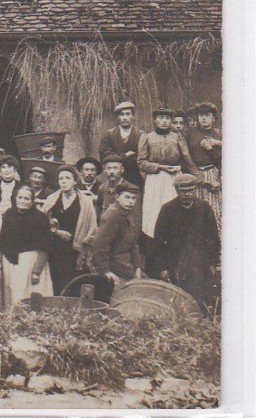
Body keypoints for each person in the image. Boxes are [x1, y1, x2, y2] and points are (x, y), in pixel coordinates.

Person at [150, 174, 221, 311]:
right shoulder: (167, 209)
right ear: (177, 191)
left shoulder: (204, 208)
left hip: (200, 262)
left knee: (200, 300)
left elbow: (213, 238)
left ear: (194, 190)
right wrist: (162, 267)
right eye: (183, 191)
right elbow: (158, 241)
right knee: (176, 300)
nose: (187, 194)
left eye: (190, 191)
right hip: (175, 262)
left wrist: (213, 263)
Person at [137, 104, 200, 239]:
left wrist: (192, 174)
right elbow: (141, 162)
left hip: (173, 178)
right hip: (155, 179)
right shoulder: (147, 137)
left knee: (174, 209)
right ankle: (155, 245)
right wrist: (160, 167)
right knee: (154, 211)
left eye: (167, 118)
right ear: (155, 120)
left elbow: (186, 158)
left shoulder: (177, 137)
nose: (165, 121)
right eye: (161, 117)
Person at [41, 165, 99, 295]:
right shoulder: (52, 199)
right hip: (55, 247)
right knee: (55, 279)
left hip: (75, 249)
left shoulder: (85, 202)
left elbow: (92, 227)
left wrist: (84, 248)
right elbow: (40, 222)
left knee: (71, 280)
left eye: (67, 178)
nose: (63, 181)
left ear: (75, 181)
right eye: (61, 178)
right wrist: (56, 232)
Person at [0, 185, 54, 306]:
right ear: (15, 198)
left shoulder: (40, 218)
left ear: (32, 201)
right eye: (20, 197)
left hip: (29, 263)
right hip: (9, 261)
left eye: (26, 199)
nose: (22, 201)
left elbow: (44, 247)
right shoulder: (9, 214)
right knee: (9, 295)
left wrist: (36, 272)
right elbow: (2, 239)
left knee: (26, 297)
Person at [91, 181, 144, 285]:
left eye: (133, 198)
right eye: (127, 197)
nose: (131, 201)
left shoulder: (126, 213)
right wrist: (105, 271)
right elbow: (100, 244)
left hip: (125, 265)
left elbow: (133, 244)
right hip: (115, 267)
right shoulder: (113, 214)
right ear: (117, 197)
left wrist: (138, 267)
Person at [185, 101, 222, 237]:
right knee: (196, 212)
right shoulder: (190, 134)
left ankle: (216, 245)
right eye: (201, 115)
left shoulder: (219, 135)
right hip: (195, 176)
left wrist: (219, 180)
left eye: (207, 115)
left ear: (214, 117)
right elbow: (186, 157)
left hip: (213, 175)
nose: (204, 118)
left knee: (215, 210)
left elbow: (224, 161)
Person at [98, 100, 146, 187]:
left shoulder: (141, 135)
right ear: (117, 117)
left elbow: (142, 156)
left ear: (133, 116)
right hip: (114, 177)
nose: (124, 117)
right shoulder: (109, 134)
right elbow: (104, 156)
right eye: (122, 114)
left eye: (128, 114)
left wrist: (116, 156)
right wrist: (125, 156)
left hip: (134, 176)